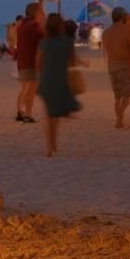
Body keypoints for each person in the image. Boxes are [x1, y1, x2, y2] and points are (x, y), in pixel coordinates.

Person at [36, 13, 81, 156]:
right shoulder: (68, 42)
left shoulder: (44, 43)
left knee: (48, 115)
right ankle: (53, 143)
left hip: (47, 79)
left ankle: (50, 147)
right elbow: (72, 61)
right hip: (61, 79)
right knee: (56, 115)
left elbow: (38, 63)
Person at [101, 7, 130, 129]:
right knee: (126, 96)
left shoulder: (106, 32)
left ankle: (119, 122)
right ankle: (119, 118)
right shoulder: (126, 31)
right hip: (124, 65)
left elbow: (105, 51)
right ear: (123, 18)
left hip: (112, 65)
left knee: (117, 96)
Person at [14, 2, 45, 122]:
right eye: (41, 11)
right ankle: (28, 114)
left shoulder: (22, 25)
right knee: (31, 89)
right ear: (36, 12)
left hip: (22, 61)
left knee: (24, 88)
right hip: (32, 61)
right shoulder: (35, 26)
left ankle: (20, 111)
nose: (43, 13)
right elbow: (42, 40)